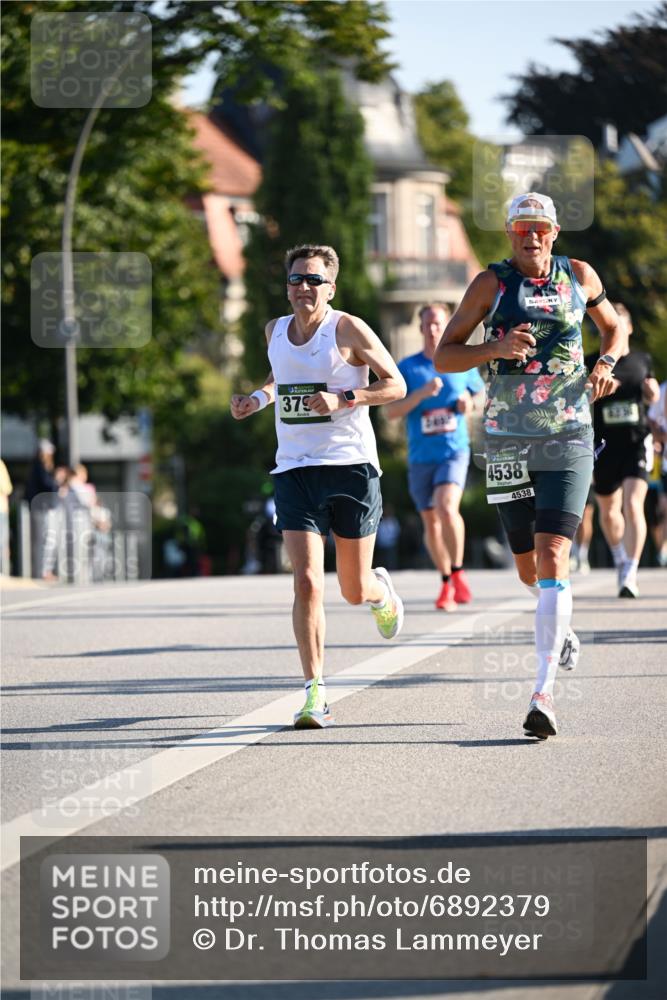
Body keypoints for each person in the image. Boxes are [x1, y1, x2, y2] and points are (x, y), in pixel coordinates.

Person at [434, 192, 625, 739]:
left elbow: (614, 328)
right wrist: (491, 350)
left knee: (553, 552)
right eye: (522, 228)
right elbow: (445, 354)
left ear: (555, 232)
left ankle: (543, 693)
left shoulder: (579, 276)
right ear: (509, 233)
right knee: (528, 570)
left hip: (568, 432)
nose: (532, 236)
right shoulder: (489, 285)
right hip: (507, 439)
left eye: (540, 228)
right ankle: (557, 623)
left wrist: (605, 363)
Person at [231, 243, 406, 729]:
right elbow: (279, 377)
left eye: (313, 280)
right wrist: (255, 399)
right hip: (294, 469)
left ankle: (380, 594)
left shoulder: (347, 329)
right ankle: (315, 692)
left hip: (350, 467)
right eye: (296, 279)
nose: (303, 287)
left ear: (331, 288)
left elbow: (395, 384)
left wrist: (345, 397)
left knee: (352, 588)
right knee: (307, 580)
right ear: (286, 286)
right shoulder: (274, 330)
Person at [385, 304, 484, 610]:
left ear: (446, 326)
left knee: (446, 507)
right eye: (427, 324)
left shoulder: (459, 361)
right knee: (430, 520)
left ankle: (458, 571)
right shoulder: (407, 368)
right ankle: (446, 582)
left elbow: (480, 395)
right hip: (420, 457)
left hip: (454, 451)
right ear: (420, 329)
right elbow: (390, 412)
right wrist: (421, 394)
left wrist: (469, 402)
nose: (432, 329)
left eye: (438, 324)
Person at [585, 304, 660, 597]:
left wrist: (652, 394)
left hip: (635, 443)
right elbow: (583, 400)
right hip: (604, 445)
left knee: (632, 504)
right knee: (608, 512)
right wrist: (595, 391)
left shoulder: (641, 360)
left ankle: (630, 571)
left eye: (618, 323)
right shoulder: (593, 362)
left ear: (627, 328)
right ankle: (620, 557)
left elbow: (652, 394)